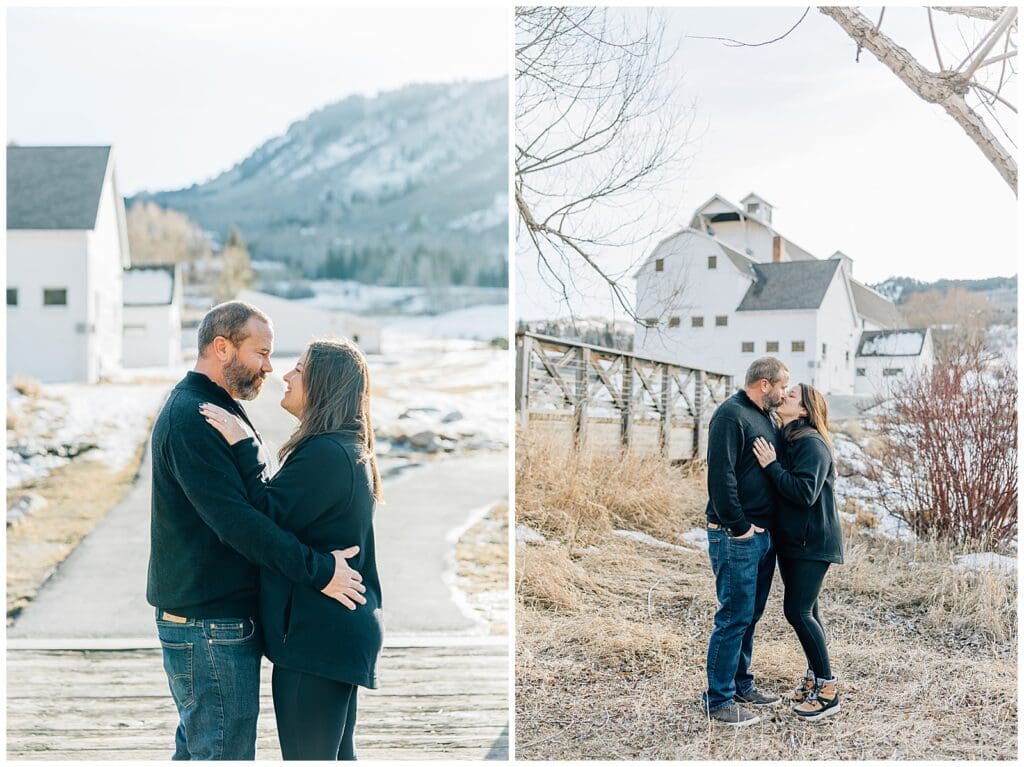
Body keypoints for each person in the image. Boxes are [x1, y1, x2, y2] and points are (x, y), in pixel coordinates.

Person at [147, 302, 367, 761]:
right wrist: (320, 570)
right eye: (261, 353)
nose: (271, 367)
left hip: (216, 621)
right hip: (208, 622)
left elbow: (262, 501)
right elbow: (242, 523)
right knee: (221, 753)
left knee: (204, 750)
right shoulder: (194, 417)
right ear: (221, 347)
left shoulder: (218, 409)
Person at [201, 338, 384, 760]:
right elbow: (283, 510)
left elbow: (264, 515)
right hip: (332, 631)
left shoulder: (326, 453)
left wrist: (243, 445)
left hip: (317, 636)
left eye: (299, 370)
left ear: (323, 384)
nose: (285, 375)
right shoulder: (340, 447)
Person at [702, 356, 789, 727]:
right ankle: (718, 700)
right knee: (733, 616)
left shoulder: (765, 417)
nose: (785, 393)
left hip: (763, 536)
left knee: (750, 616)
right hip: (736, 534)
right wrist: (739, 527)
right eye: (782, 386)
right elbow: (720, 479)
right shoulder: (730, 415)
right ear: (765, 384)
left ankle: (742, 684)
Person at [753, 383, 843, 722]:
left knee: (797, 611)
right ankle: (813, 676)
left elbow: (804, 493)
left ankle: (828, 689)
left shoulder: (811, 444)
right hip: (795, 542)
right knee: (809, 612)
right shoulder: (791, 437)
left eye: (790, 396)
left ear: (804, 410)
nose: (783, 397)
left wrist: (772, 466)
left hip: (813, 542)